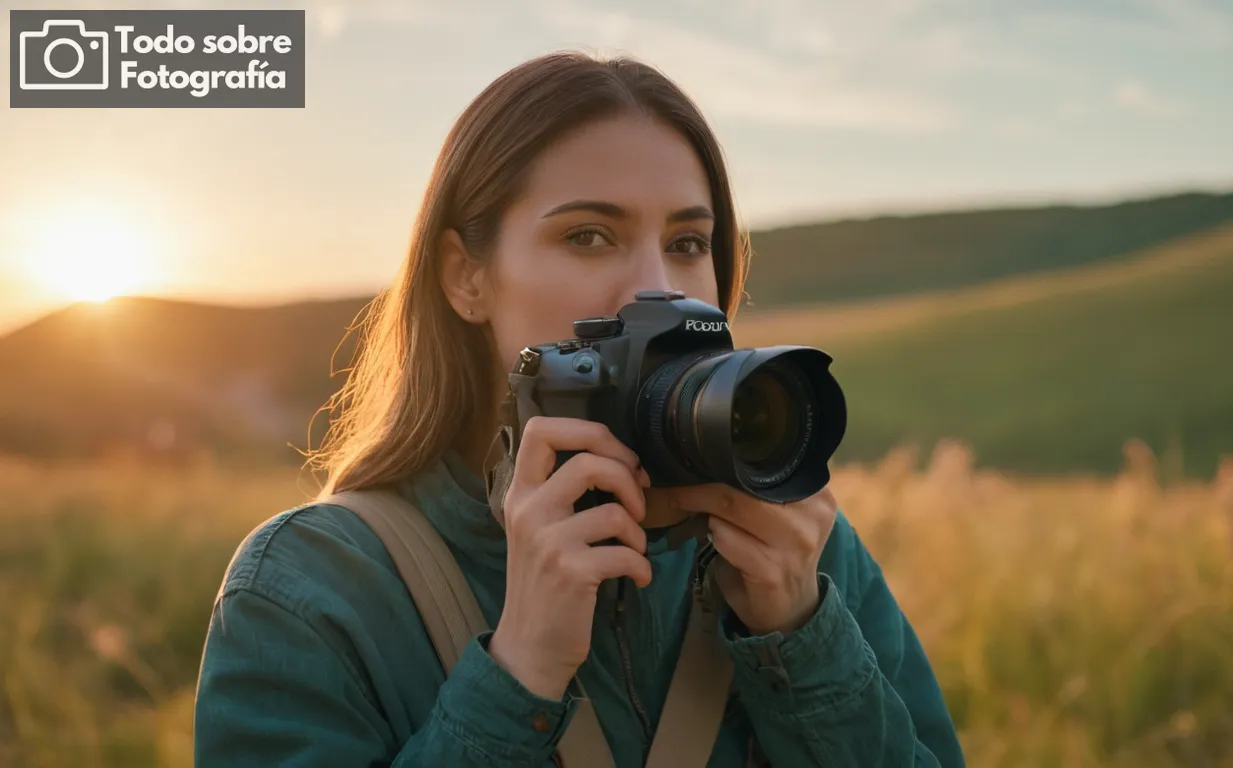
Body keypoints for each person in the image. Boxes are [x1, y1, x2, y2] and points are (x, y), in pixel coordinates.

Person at [192, 50, 965, 767]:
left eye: (690, 242)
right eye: (590, 235)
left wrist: (802, 639)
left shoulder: (801, 550)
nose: (656, 287)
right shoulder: (308, 586)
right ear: (466, 276)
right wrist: (519, 668)